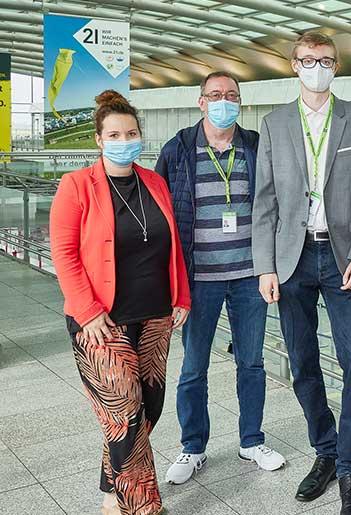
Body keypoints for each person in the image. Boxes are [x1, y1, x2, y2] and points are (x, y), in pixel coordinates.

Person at [251, 31, 351, 513]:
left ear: (337, 66)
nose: (316, 67)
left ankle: (350, 468)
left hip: (345, 256)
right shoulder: (274, 124)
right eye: (308, 60)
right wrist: (265, 266)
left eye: (325, 60)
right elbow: (264, 201)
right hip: (293, 259)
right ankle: (325, 451)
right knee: (303, 360)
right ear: (294, 64)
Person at [50, 90, 191, 515]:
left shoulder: (154, 183)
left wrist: (181, 296)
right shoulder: (77, 185)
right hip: (101, 321)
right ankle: (142, 507)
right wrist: (87, 310)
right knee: (125, 415)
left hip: (155, 315)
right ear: (99, 139)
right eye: (114, 135)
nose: (124, 140)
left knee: (147, 410)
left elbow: (172, 245)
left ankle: (112, 494)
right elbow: (64, 253)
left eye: (130, 133)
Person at [155, 71, 286, 485]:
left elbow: (275, 204)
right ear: (201, 102)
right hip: (199, 279)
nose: (223, 101)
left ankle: (252, 440)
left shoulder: (255, 146)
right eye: (215, 95)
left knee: (252, 362)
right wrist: (169, 280)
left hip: (250, 276)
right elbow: (161, 214)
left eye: (231, 95)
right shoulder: (178, 149)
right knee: (193, 367)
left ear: (240, 102)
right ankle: (193, 447)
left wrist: (271, 265)